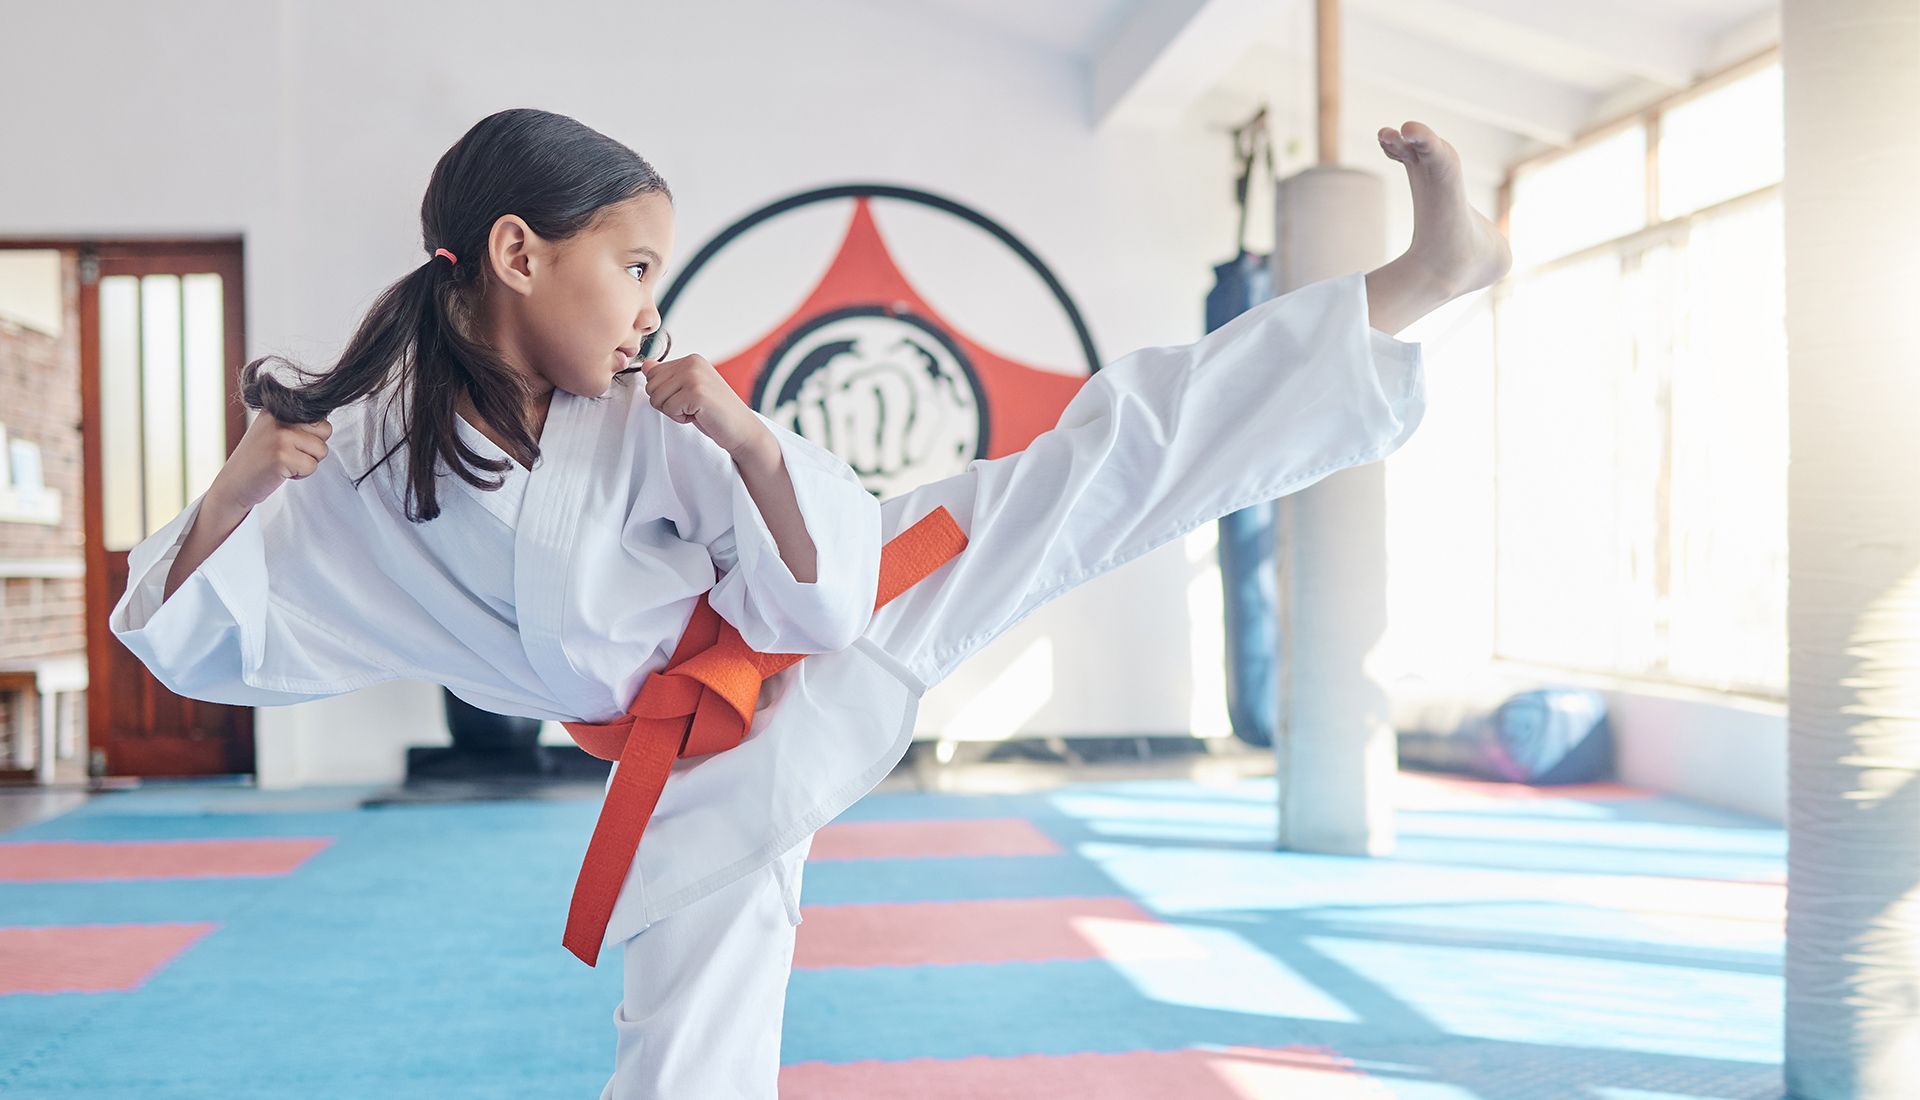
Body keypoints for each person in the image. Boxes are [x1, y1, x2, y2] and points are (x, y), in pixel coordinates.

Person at [108, 108, 1509, 1098]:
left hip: (824, 615)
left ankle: (1414, 285)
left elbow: (822, 606)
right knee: (686, 1044)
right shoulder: (362, 455)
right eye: (634, 266)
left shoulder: (655, 407)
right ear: (520, 254)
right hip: (699, 762)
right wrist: (236, 490)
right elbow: (191, 629)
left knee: (1105, 455)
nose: (650, 308)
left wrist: (751, 437)